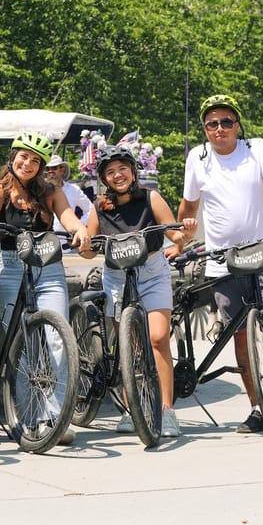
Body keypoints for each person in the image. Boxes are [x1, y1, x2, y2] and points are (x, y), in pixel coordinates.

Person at [176, 94, 263, 434]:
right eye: (212, 123)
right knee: (240, 334)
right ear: (205, 129)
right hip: (223, 261)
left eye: (227, 122)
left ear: (238, 125)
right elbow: (188, 208)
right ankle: (256, 408)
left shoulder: (256, 149)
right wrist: (178, 240)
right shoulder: (198, 157)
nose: (220, 128)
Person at [0, 132, 90, 446]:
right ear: (13, 157)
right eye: (23, 157)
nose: (28, 163)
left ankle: (54, 417)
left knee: (57, 339)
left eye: (35, 160)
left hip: (48, 265)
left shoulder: (50, 192)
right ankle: (30, 418)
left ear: (42, 167)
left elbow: (68, 218)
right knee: (23, 345)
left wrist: (79, 229)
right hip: (13, 266)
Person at [81, 146, 196, 438]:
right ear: (104, 178)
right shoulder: (99, 206)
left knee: (158, 338)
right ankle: (133, 407)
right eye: (110, 171)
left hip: (152, 272)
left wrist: (188, 234)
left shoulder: (150, 198)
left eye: (122, 169)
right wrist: (82, 244)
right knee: (127, 346)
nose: (117, 175)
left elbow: (176, 235)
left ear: (133, 171)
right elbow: (89, 249)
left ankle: (167, 410)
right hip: (117, 275)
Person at [44, 154, 92, 233]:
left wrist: (79, 227)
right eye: (47, 168)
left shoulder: (73, 189)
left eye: (54, 168)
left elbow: (90, 209)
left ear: (62, 170)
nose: (50, 171)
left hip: (66, 238)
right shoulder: (40, 190)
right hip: (46, 237)